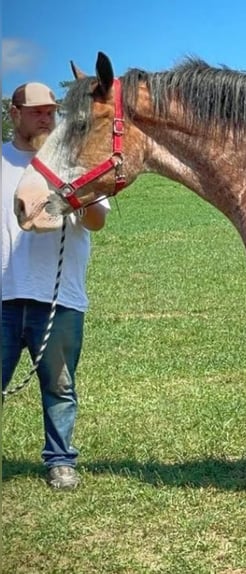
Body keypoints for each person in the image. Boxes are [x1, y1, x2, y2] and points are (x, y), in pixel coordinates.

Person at [2, 82, 110, 489]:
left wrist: (74, 198)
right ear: (14, 114)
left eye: (51, 111)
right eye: (36, 112)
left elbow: (99, 220)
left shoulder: (73, 161)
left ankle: (61, 460)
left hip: (59, 297)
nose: (46, 118)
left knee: (60, 385)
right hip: (4, 295)